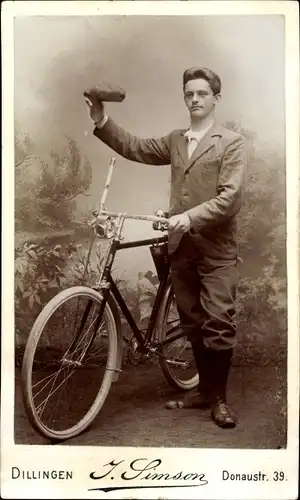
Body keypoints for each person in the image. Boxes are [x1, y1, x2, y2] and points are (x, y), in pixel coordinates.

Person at [86, 67, 247, 429]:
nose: (194, 99)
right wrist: (102, 120)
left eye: (202, 94)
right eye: (189, 93)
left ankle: (218, 399)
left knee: (218, 321)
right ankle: (204, 391)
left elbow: (231, 197)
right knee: (192, 322)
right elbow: (138, 149)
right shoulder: (177, 139)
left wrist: (189, 217)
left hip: (217, 249)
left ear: (215, 99)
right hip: (181, 247)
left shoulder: (231, 142)